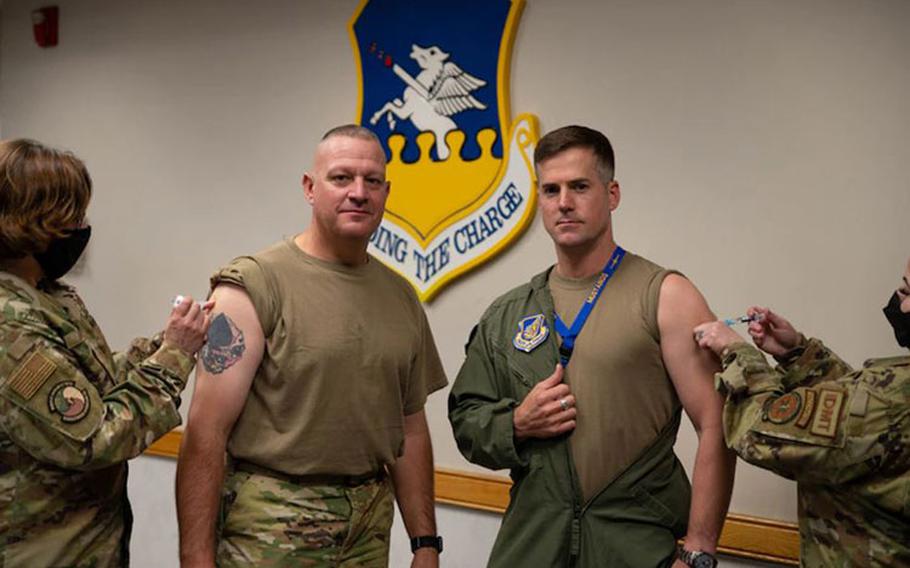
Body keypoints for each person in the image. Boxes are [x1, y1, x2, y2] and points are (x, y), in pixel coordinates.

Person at [448, 125, 736, 567]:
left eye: (579, 186)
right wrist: (517, 424)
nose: (564, 202)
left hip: (633, 542)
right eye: (551, 190)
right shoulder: (508, 312)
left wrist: (698, 550)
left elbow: (716, 424)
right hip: (534, 541)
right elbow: (468, 421)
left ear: (612, 194)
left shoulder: (665, 295)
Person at [176, 125, 448, 568]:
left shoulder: (401, 298)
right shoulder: (253, 286)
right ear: (310, 187)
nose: (358, 192)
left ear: (385, 191)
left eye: (371, 181)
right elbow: (206, 432)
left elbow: (410, 429)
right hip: (272, 528)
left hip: (367, 532)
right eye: (341, 178)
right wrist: (196, 558)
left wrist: (425, 542)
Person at [0, 138, 210, 567]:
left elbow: (94, 386)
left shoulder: (47, 296)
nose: (80, 227)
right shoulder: (9, 324)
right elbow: (96, 438)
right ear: (36, 220)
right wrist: (173, 359)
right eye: (71, 214)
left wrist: (165, 344)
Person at [693, 258, 910, 566]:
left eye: (907, 290)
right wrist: (798, 354)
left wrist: (739, 355)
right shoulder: (890, 399)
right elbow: (856, 424)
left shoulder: (892, 400)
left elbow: (759, 432)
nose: (900, 302)